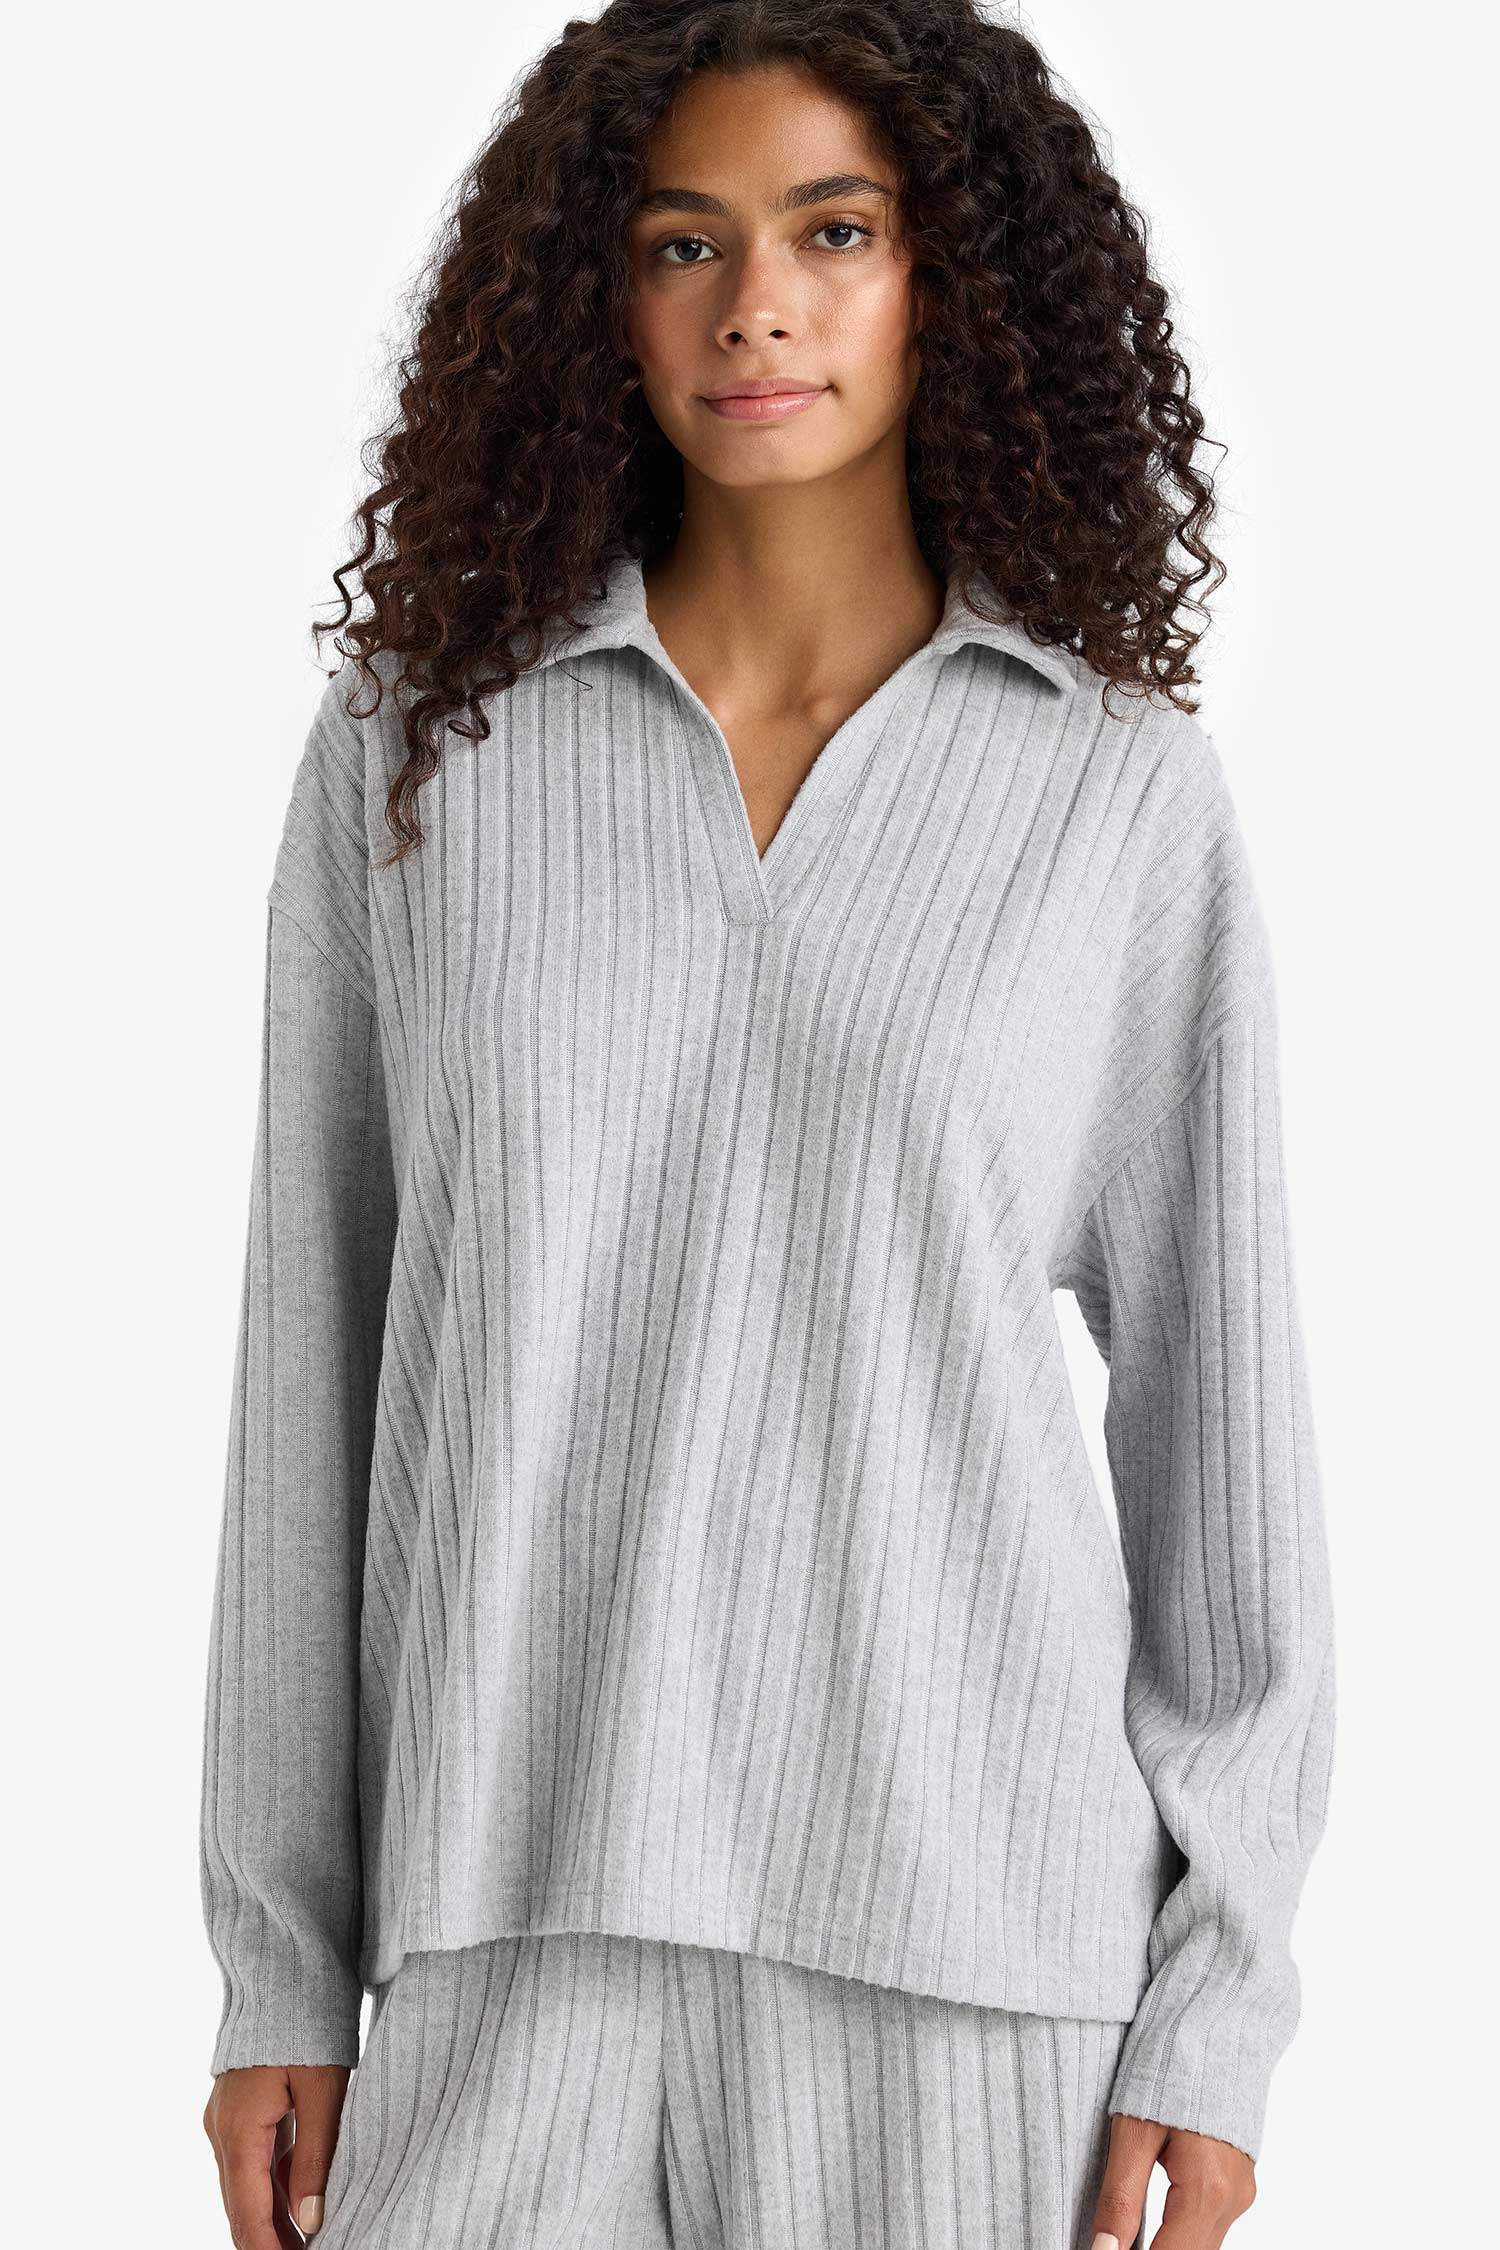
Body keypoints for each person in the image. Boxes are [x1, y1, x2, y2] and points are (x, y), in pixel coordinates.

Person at [197, 5, 1337, 2246]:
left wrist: (1220, 2010)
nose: (757, 307)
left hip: (975, 1972)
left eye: (836, 231)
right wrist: (276, 1962)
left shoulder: (1111, 786)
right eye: (681, 241)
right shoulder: (421, 758)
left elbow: (1227, 1447)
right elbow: (308, 1367)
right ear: (597, 297)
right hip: (503, 1921)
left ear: (950, 280)